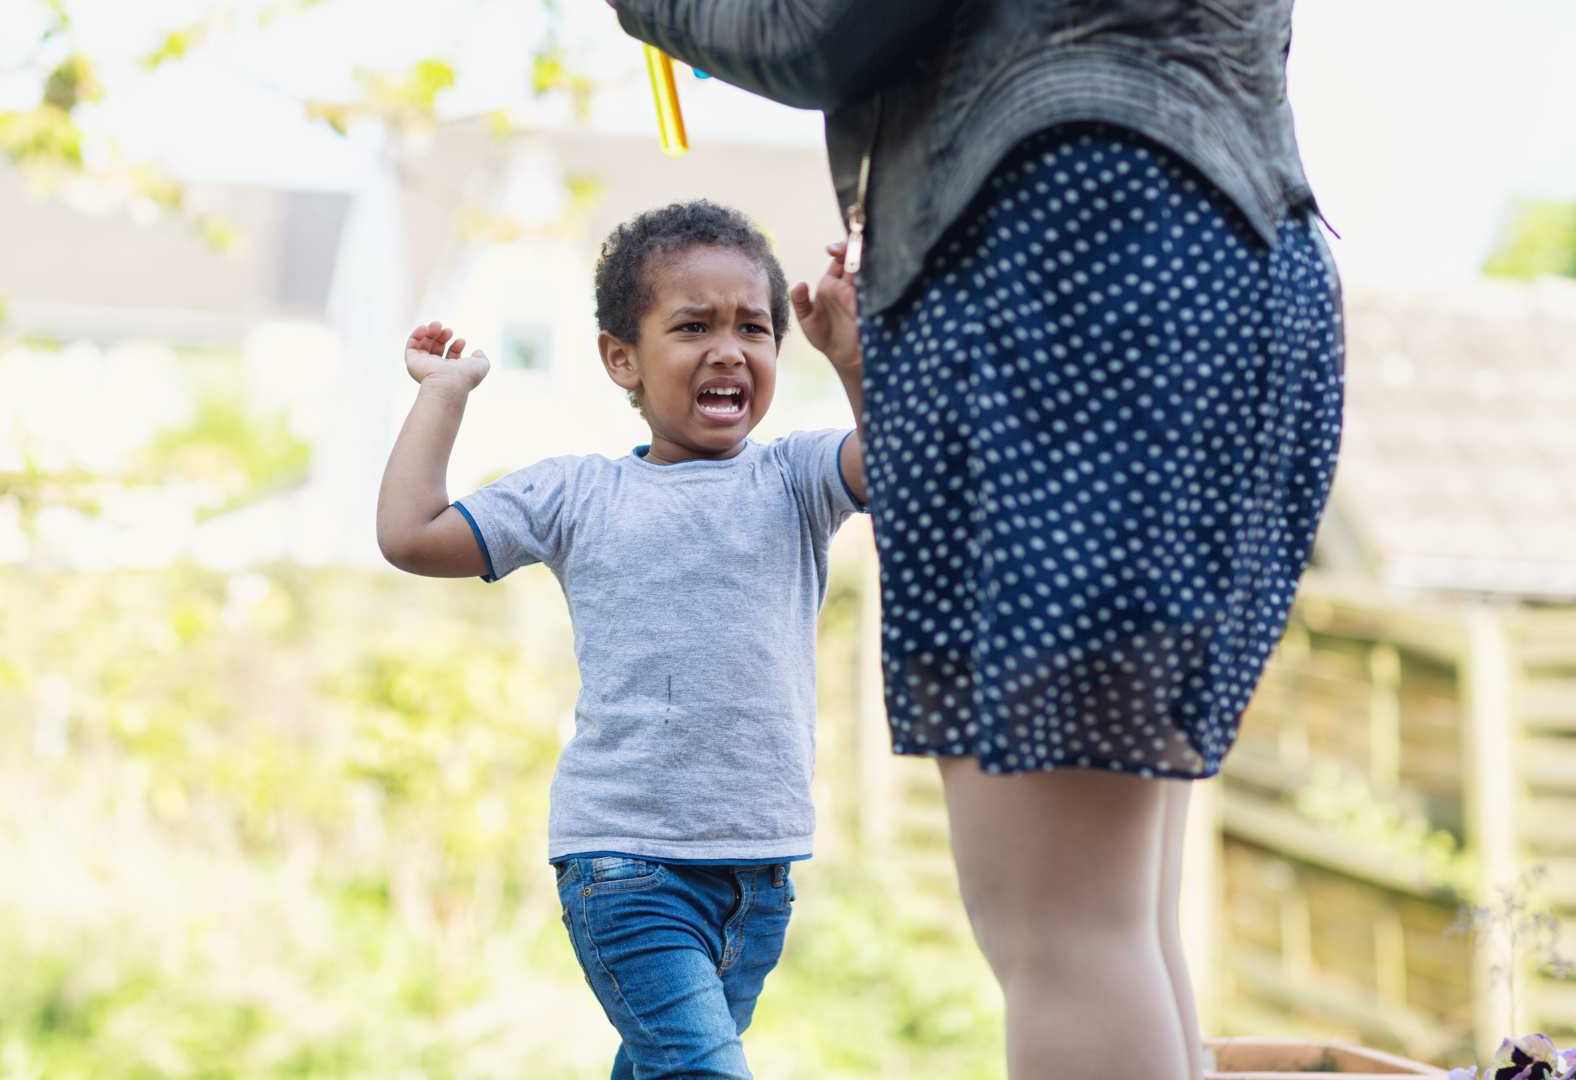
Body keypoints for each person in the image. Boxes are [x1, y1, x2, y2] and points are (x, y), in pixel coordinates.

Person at [608, 4, 1346, 1079]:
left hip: (1071, 257)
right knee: (1121, 917)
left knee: (1066, 933)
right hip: (1234, 255)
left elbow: (820, 26)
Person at [375, 199, 869, 1079]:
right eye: (692, 326)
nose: (728, 348)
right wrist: (443, 394)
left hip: (759, 873)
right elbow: (412, 535)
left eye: (753, 328)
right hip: (627, 867)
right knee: (702, 1071)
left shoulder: (794, 479)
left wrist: (856, 359)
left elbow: (906, 462)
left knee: (660, 1068)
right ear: (621, 359)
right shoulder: (577, 495)